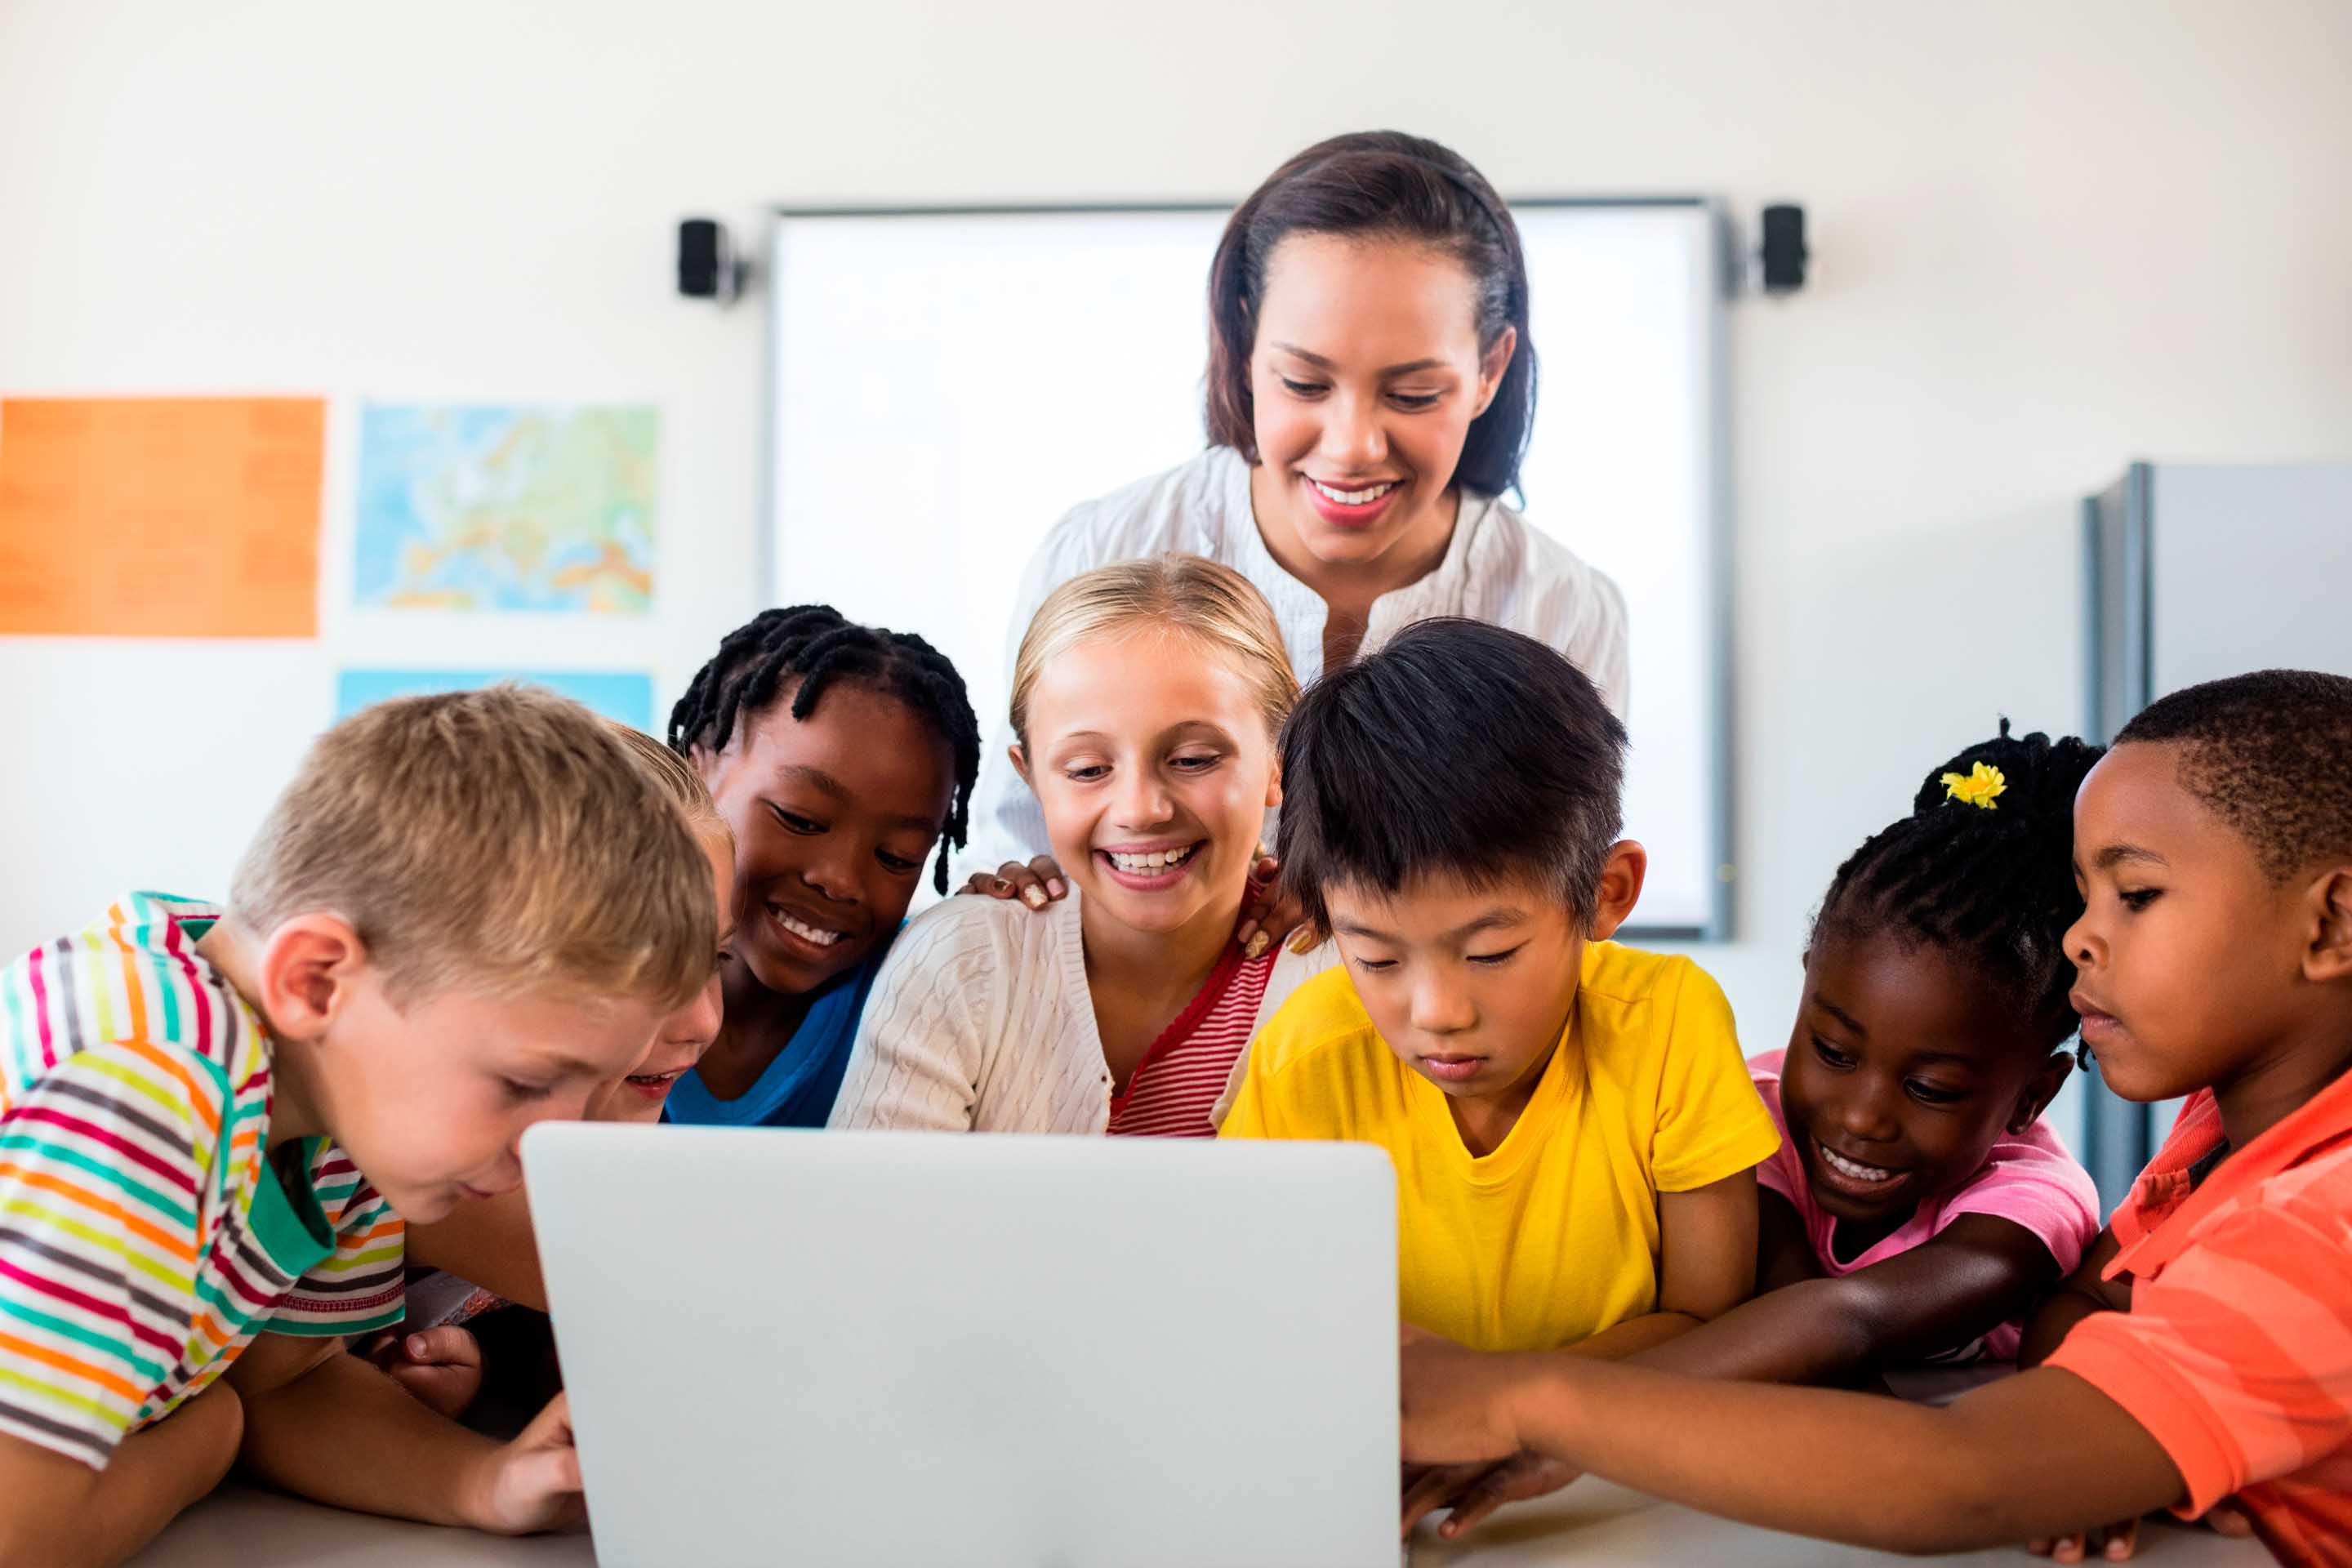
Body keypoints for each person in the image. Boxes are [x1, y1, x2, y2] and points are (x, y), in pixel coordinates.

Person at [1396, 670, 2352, 1568]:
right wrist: (2096, 1438)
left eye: (2134, 895)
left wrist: (1530, 1400)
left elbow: (1960, 1480)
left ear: (2332, 924)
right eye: (2086, 893)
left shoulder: (2328, 1216)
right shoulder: (2222, 1141)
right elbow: (2090, 1304)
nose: (2078, 937)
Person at [0, 686, 715, 1566]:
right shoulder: (152, 1077)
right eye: (527, 1082)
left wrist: (488, 1484)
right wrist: (210, 1434)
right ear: (316, 980)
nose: (548, 1140)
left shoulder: (334, 1097)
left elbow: (290, 1384)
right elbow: (20, 1532)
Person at [1405, 723, 2106, 1539]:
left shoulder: (2035, 1204)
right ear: (1805, 992)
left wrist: (1554, 1423)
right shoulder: (1758, 1104)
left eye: (1929, 1088)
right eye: (1834, 1050)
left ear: (2032, 1098)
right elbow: (1777, 1302)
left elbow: (1837, 1321)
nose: (1861, 1114)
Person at [963, 129, 1628, 907]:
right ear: (1245, 347)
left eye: (1413, 395)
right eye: (1305, 383)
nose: (1351, 448)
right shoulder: (1106, 550)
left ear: (1490, 370)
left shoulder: (1557, 605)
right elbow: (1022, 851)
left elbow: (1554, 902)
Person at [1222, 619, 1777, 1359]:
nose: (1438, 1015)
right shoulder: (1306, 1055)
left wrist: (1501, 1412)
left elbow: (1713, 1325)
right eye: (1377, 961)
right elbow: (1252, 1311)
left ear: (1608, 893)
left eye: (1490, 953)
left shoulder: (1669, 1023)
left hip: (1622, 1457)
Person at [831, 556, 1332, 1136]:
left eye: (1194, 759)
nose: (1142, 809)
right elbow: (875, 1219)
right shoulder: (960, 963)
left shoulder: (1345, 973)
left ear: (1280, 757)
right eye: (1089, 769)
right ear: (1032, 779)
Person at [376, 725, 739, 1416]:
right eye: (647, 969)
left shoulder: (615, 1160)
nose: (702, 1022)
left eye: (715, 960)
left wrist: (489, 1371)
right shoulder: (424, 1147)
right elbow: (689, 1299)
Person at [660, 606, 979, 1129]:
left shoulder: (921, 999)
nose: (840, 881)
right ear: (696, 770)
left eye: (896, 857)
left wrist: (1014, 935)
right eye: (800, 820)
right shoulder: (586, 972)